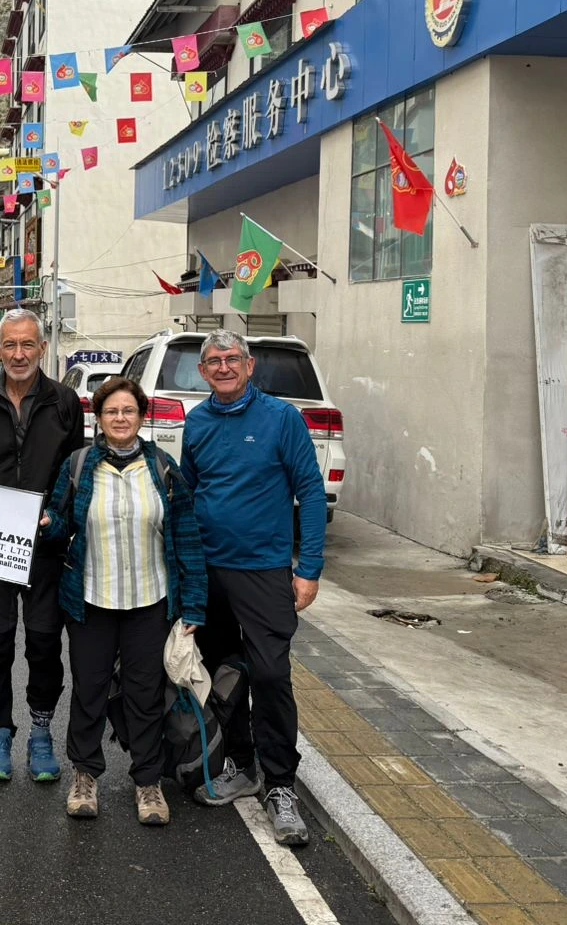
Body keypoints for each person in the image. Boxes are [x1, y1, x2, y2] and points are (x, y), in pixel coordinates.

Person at [179, 329, 326, 845]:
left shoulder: (282, 418)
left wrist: (308, 567)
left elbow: (310, 490)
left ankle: (281, 784)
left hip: (264, 569)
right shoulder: (195, 422)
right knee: (224, 674)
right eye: (213, 361)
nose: (223, 367)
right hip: (209, 571)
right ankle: (241, 764)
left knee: (269, 672)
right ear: (203, 372)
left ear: (249, 365)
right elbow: (190, 492)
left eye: (231, 359)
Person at [40, 377, 206, 826]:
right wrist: (45, 520)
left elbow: (187, 540)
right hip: (91, 598)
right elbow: (57, 525)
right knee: (89, 690)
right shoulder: (78, 467)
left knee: (145, 695)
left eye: (128, 411)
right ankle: (85, 776)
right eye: (111, 412)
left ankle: (148, 782)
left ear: (141, 416)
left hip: (149, 601)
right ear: (98, 417)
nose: (119, 419)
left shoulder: (164, 470)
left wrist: (194, 605)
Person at [0, 308, 84, 782]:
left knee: (42, 642)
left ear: (42, 348)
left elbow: (76, 470)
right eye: (10, 345)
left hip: (45, 545)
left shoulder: (64, 402)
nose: (19, 354)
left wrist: (57, 518)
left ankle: (40, 729)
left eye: (28, 345)